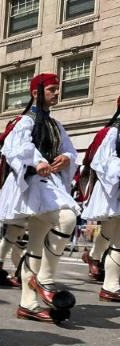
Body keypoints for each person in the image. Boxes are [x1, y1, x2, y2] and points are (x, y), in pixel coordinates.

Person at [0, 73, 79, 323]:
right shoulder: (25, 121)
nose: (56, 93)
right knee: (67, 218)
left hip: (49, 185)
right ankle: (45, 280)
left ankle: (28, 303)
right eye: (51, 89)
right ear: (36, 93)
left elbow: (69, 149)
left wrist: (66, 159)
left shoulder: (56, 125)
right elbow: (15, 147)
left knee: (37, 243)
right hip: (31, 184)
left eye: (57, 89)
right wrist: (38, 161)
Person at [80, 96, 120, 301]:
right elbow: (102, 161)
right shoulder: (113, 132)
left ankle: (94, 258)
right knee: (116, 235)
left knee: (111, 231)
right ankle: (110, 286)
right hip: (113, 189)